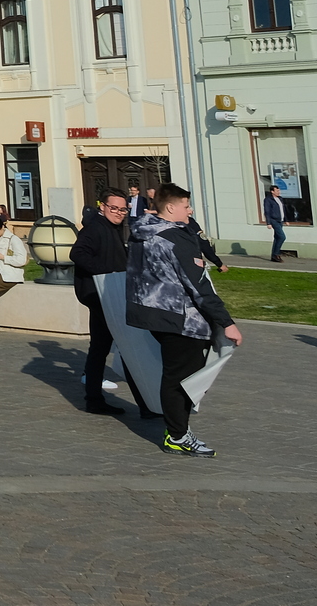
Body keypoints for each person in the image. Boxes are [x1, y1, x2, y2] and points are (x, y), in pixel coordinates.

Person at [127, 183, 242, 457]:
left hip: (155, 314)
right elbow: (198, 285)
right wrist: (227, 322)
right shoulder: (173, 239)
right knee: (182, 378)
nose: (190, 211)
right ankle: (177, 435)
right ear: (170, 207)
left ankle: (177, 431)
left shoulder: (144, 232)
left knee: (177, 375)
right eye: (186, 206)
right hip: (181, 319)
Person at [70, 190, 136, 415]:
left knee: (102, 347)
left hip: (109, 295)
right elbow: (77, 253)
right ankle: (95, 399)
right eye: (114, 208)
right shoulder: (95, 228)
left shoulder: (112, 228)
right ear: (103, 207)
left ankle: (95, 398)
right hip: (100, 297)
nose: (119, 213)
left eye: (123, 209)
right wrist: (104, 275)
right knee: (105, 347)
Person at [262, 184, 287, 261]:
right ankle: (276, 254)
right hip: (274, 220)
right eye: (277, 191)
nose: (279, 192)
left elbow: (283, 210)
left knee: (277, 237)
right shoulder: (268, 200)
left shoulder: (280, 199)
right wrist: (268, 223)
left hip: (280, 220)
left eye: (279, 190)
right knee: (282, 237)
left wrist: (286, 220)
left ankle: (274, 256)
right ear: (272, 191)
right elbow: (267, 211)